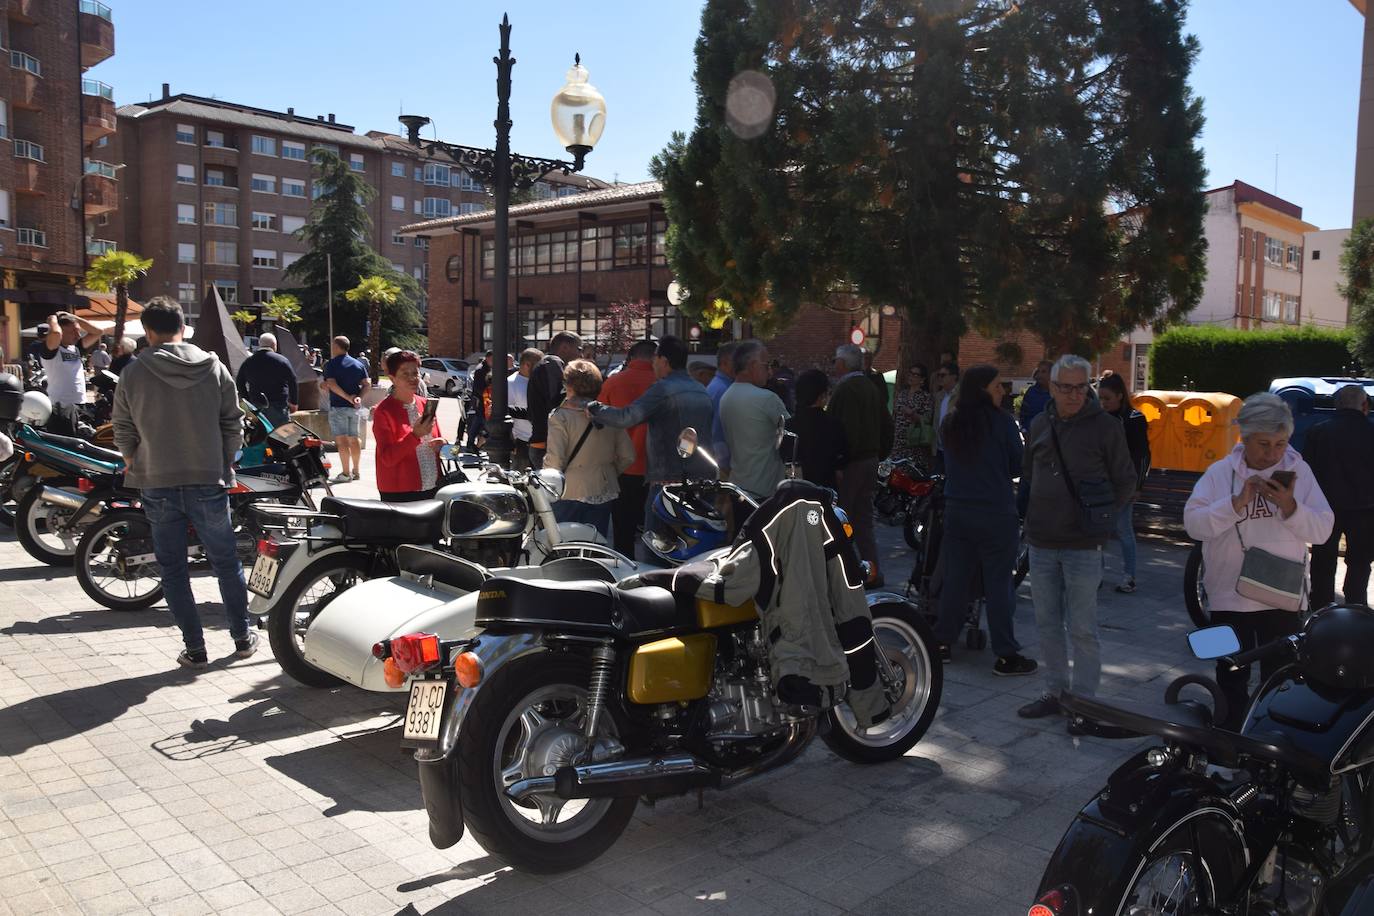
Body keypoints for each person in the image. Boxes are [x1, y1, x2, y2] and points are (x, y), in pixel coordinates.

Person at [110, 297, 256, 669]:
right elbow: (233, 421)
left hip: (156, 479)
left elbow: (122, 426)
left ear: (148, 331)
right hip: (208, 477)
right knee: (225, 560)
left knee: (172, 566)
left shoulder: (133, 371)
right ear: (182, 326)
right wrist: (226, 460)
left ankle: (195, 648)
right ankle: (242, 638)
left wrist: (132, 459)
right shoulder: (213, 366)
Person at [1185, 393, 1333, 728]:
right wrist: (1235, 504)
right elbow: (1193, 524)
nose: (1273, 454)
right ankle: (1225, 751)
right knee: (1228, 675)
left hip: (1281, 598)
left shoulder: (1300, 471)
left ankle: (1267, 751)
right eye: (1264, 444)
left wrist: (1291, 508)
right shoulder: (1220, 473)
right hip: (1225, 598)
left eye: (1281, 444)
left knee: (1280, 680)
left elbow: (1323, 529)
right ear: (1244, 437)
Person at [1017, 354, 1137, 731]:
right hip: (1041, 542)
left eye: (1080, 387)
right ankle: (1055, 693)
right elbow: (1028, 476)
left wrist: (1101, 520)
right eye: (1064, 387)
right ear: (1051, 387)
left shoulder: (1104, 427)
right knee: (1047, 624)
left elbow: (1126, 479)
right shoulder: (1039, 423)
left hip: (1084, 544)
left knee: (1083, 628)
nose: (1072, 395)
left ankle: (1084, 703)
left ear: (1089, 387)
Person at [933, 365, 1036, 675]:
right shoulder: (1002, 423)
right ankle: (1006, 654)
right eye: (996, 387)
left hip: (958, 510)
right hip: (995, 511)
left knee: (956, 579)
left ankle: (941, 643)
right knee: (999, 583)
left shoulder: (951, 422)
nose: (1003, 392)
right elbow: (1018, 465)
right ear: (982, 390)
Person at [587, 336, 714, 561]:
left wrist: (595, 409)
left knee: (656, 550)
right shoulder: (700, 389)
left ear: (663, 360)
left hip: (668, 481)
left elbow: (628, 416)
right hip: (701, 481)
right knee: (693, 552)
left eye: (656, 360)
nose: (653, 364)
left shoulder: (664, 389)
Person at [1302, 384, 1374, 608]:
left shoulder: (1318, 431)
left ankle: (1321, 606)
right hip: (1366, 509)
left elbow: (1307, 471)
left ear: (1336, 405)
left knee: (1323, 557)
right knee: (1360, 562)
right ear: (1364, 405)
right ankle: (1356, 606)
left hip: (1325, 507)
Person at [546, 359, 635, 538]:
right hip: (603, 487)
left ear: (569, 386)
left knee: (564, 545)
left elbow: (555, 460)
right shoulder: (610, 414)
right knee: (595, 545)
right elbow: (628, 456)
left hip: (568, 490)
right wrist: (608, 471)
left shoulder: (560, 416)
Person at [827, 343, 885, 587]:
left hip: (852, 463)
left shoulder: (846, 390)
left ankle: (843, 573)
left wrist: (839, 462)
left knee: (842, 518)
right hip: (870, 459)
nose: (833, 365)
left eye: (835, 361)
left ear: (842, 364)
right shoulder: (871, 387)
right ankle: (872, 570)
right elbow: (887, 424)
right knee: (863, 519)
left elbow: (843, 429)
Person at [600, 339, 657, 556]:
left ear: (631, 358)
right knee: (657, 528)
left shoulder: (614, 382)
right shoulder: (662, 384)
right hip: (657, 466)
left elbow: (600, 420)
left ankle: (624, 566)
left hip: (622, 465)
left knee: (623, 526)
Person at [1096, 373, 1151, 593]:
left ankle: (1129, 576)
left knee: (1123, 529)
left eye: (1107, 398)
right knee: (1097, 529)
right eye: (1100, 398)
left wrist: (1138, 486)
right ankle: (1096, 574)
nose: (1103, 403)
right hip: (1100, 483)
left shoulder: (1134, 419)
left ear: (1120, 396)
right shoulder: (1099, 418)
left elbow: (1143, 455)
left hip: (1124, 483)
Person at [718, 341, 790, 501]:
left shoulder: (726, 396)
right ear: (752, 365)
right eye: (766, 366)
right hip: (765, 491)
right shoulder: (766, 398)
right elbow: (792, 433)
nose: (770, 372)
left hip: (737, 485)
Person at [372, 350, 445, 502]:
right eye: (405, 373)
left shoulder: (426, 404)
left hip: (432, 486)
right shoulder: (383, 411)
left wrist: (442, 444)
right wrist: (414, 436)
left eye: (416, 373)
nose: (412, 378)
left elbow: (438, 439)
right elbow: (387, 458)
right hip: (400, 492)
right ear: (392, 378)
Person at [527, 332, 583, 470]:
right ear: (564, 348)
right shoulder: (553, 363)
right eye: (579, 349)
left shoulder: (546, 364)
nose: (580, 354)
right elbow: (557, 401)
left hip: (542, 443)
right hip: (547, 446)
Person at [40, 311, 102, 435]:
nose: (78, 335)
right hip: (61, 407)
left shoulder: (77, 347)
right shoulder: (51, 349)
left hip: (80, 404)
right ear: (61, 331)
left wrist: (75, 318)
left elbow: (98, 331)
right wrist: (53, 319)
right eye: (73, 331)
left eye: (78, 331)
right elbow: (56, 333)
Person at [789, 368, 847, 488]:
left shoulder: (788, 426)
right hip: (825, 492)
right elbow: (840, 471)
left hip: (794, 491)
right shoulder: (834, 426)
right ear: (822, 396)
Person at [322, 336, 370, 482]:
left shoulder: (331, 365)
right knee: (354, 439)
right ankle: (356, 471)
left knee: (342, 441)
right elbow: (367, 384)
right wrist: (358, 397)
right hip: (354, 408)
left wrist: (347, 397)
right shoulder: (358, 364)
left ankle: (345, 473)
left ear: (337, 346)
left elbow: (331, 384)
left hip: (338, 407)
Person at [235, 332, 298, 426]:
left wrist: (247, 400)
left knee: (260, 436)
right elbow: (293, 381)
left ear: (260, 344)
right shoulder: (282, 361)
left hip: (256, 406)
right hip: (278, 405)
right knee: (280, 437)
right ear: (274, 345)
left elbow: (239, 382)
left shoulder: (248, 362)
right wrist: (294, 402)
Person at [890, 363, 935, 471]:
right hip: (898, 442)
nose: (911, 376)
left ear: (922, 379)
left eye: (915, 374)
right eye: (910, 373)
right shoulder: (902, 394)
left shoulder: (925, 397)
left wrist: (913, 415)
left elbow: (927, 419)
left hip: (913, 442)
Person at [508, 348, 541, 468]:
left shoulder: (537, 381)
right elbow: (508, 417)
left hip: (539, 441)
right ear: (527, 365)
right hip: (522, 443)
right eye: (538, 365)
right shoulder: (511, 383)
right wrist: (512, 443)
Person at [707, 341, 739, 463]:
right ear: (725, 363)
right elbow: (717, 433)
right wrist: (724, 463)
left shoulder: (720, 386)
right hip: (723, 463)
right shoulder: (722, 389)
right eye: (738, 362)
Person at [932, 362, 959, 466]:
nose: (940, 378)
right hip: (938, 448)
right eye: (938, 375)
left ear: (954, 376)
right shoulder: (939, 396)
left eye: (943, 375)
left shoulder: (962, 395)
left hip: (955, 449)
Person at [1019, 360, 1054, 430]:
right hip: (1033, 435)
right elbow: (1023, 415)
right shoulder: (1031, 392)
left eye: (1043, 372)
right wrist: (1026, 430)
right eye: (1038, 371)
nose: (1040, 375)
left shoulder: (1059, 393)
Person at [467, 351, 492, 446]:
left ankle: (471, 443)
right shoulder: (481, 370)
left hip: (482, 400)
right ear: (488, 358)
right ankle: (475, 443)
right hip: (481, 400)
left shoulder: (484, 368)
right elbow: (478, 387)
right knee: (482, 421)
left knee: (478, 422)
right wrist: (487, 396)